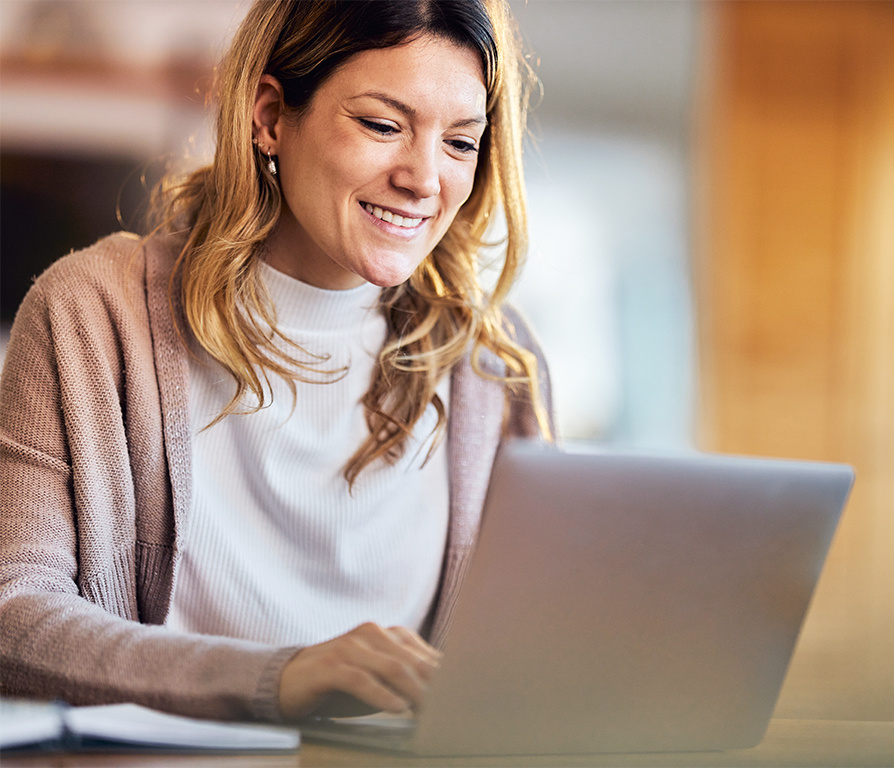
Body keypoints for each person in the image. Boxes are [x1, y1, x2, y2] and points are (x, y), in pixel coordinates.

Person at [0, 0, 554, 724]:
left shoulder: (491, 364)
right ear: (269, 116)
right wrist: (276, 676)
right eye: (383, 125)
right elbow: (14, 616)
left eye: (459, 143)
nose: (424, 179)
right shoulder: (93, 315)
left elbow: (536, 644)